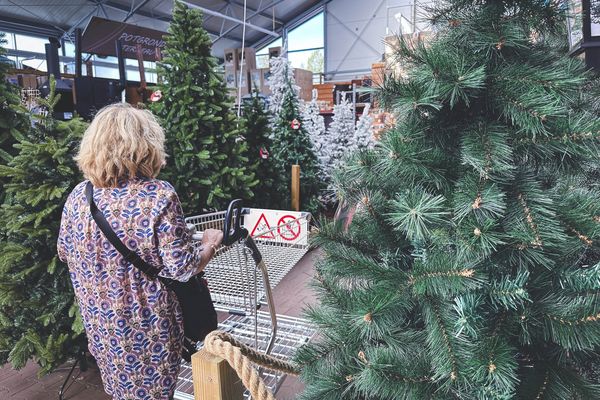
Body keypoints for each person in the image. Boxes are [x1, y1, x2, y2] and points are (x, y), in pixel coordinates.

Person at [57, 103, 223, 400]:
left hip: (101, 325)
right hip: (148, 331)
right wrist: (210, 242)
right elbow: (183, 267)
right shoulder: (159, 195)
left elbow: (65, 252)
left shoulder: (79, 196)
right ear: (146, 145)